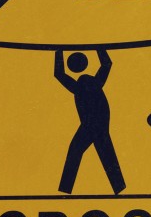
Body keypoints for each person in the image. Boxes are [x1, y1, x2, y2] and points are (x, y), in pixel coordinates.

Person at [54, 48, 126, 194]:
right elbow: (106, 64)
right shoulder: (89, 85)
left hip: (94, 125)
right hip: (94, 125)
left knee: (80, 151)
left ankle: (65, 189)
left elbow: (59, 74)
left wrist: (58, 51)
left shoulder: (81, 87)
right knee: (104, 153)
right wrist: (99, 48)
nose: (84, 78)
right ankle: (118, 187)